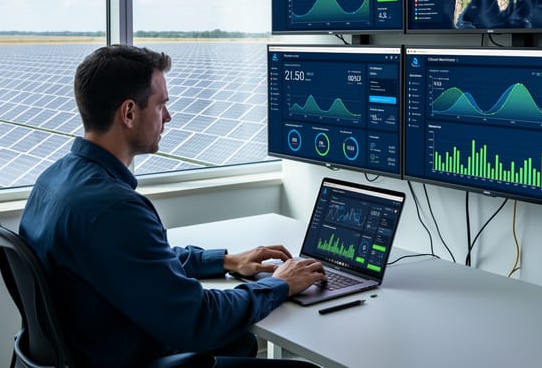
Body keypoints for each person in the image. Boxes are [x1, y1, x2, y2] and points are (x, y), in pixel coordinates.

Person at [19, 44, 326, 368]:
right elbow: (198, 321)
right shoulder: (115, 210)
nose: (168, 116)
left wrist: (225, 261)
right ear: (128, 113)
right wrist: (279, 284)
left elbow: (138, 260)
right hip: (128, 358)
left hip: (93, 347)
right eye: (161, 104)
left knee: (240, 341)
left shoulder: (53, 181)